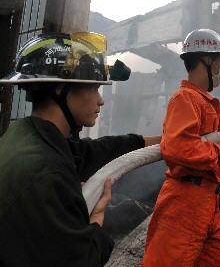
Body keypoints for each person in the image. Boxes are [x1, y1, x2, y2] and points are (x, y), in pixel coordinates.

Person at [0, 32, 161, 267]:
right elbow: (83, 260)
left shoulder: (26, 136)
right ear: (61, 89)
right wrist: (97, 217)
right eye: (94, 88)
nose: (100, 100)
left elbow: (93, 152)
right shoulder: (48, 172)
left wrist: (160, 141)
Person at [142, 29, 220, 267]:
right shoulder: (185, 99)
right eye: (219, 65)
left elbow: (219, 146)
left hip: (208, 200)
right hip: (184, 203)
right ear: (206, 61)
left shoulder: (208, 103)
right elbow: (178, 148)